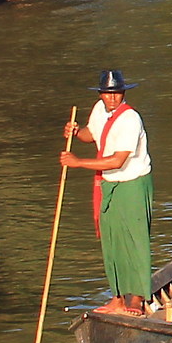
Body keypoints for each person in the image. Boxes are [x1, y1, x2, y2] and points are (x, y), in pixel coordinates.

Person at [62, 70, 153, 315]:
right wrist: (75, 132)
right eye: (108, 94)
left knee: (133, 239)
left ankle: (137, 298)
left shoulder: (131, 119)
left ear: (123, 93)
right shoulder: (99, 110)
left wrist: (78, 162)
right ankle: (117, 297)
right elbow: (91, 135)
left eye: (117, 93)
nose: (112, 99)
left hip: (132, 183)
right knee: (112, 241)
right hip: (108, 183)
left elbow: (117, 161)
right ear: (101, 94)